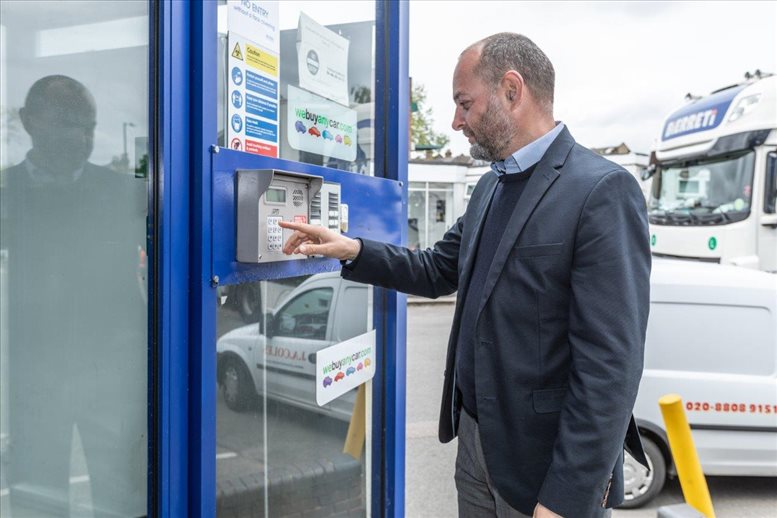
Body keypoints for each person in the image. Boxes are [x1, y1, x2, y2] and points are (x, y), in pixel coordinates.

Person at [279, 33, 650, 518]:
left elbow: (610, 368)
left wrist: (565, 497)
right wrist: (353, 250)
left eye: (464, 104)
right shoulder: (489, 189)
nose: (456, 122)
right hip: (476, 447)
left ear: (512, 91)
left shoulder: (601, 190)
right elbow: (436, 269)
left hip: (543, 471)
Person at [1, 75, 147, 516]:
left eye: (88, 125)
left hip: (114, 381)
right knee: (37, 500)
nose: (81, 137)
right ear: (28, 122)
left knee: (121, 496)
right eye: (67, 122)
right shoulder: (6, 195)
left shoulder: (126, 193)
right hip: (33, 382)